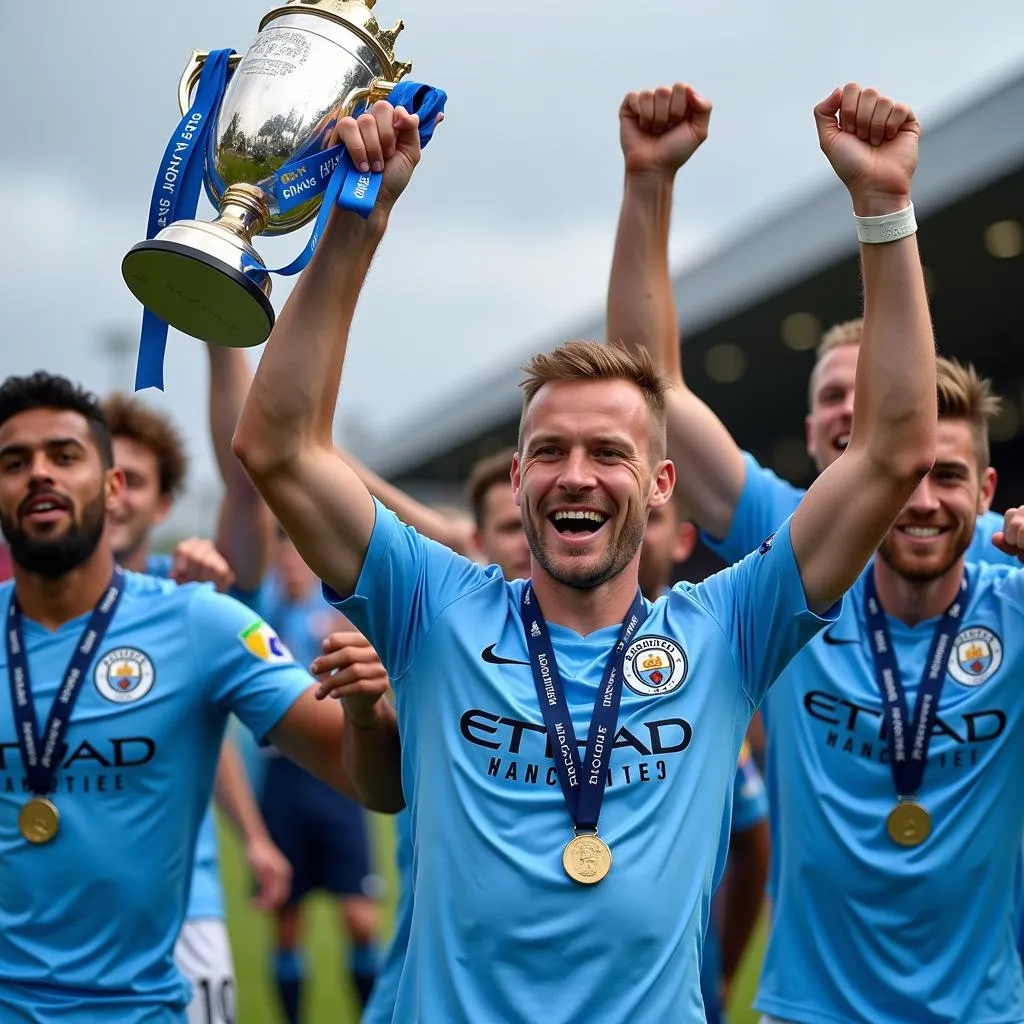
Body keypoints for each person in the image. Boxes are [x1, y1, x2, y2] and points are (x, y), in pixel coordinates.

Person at [233, 81, 938, 1022]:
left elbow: (892, 450)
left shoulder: (729, 627)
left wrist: (885, 210)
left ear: (658, 486)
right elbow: (277, 446)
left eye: (609, 452)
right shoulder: (435, 608)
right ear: (516, 480)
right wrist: (357, 222)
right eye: (549, 453)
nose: (575, 475)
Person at [607, 83, 1024, 1021]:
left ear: (986, 492)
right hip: (811, 1006)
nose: (919, 498)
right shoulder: (791, 550)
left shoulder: (1012, 585)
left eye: (946, 476)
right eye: (894, 463)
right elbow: (651, 392)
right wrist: (647, 187)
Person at [0, 371, 402, 1023]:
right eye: (15, 462)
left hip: (143, 1008)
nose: (39, 473)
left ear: (113, 488)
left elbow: (379, 785)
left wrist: (363, 709)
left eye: (64, 456)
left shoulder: (202, 621)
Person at [102, 346, 285, 1024]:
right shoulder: (22, 616)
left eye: (134, 480)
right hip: (45, 918)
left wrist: (219, 330)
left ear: (163, 502)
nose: (112, 494)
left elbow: (249, 481)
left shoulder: (192, 595)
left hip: (182, 913)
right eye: (99, 474)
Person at [255, 529, 383, 1022]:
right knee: (286, 919)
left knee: (361, 917)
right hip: (280, 776)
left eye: (297, 560)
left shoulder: (337, 617)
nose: (290, 568)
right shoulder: (257, 617)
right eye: (281, 561)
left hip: (338, 774)